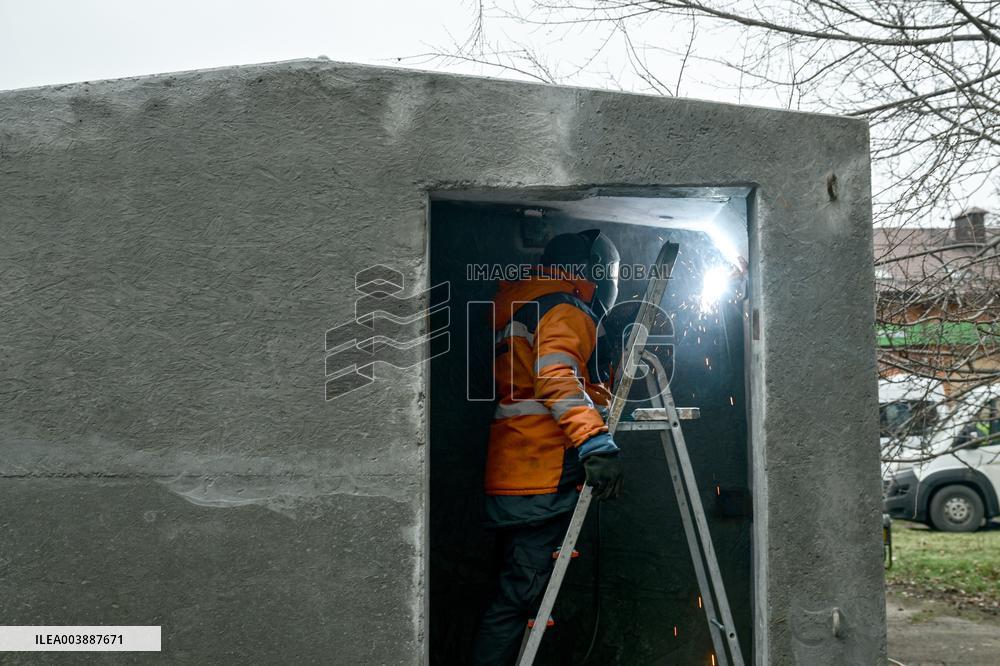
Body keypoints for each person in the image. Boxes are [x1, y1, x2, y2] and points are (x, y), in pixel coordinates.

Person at [471, 229, 624, 665]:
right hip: (542, 476)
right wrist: (596, 441)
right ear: (595, 272)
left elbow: (547, 383)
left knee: (512, 597)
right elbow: (556, 378)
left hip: (516, 472)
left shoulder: (527, 303)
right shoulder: (565, 307)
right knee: (517, 602)